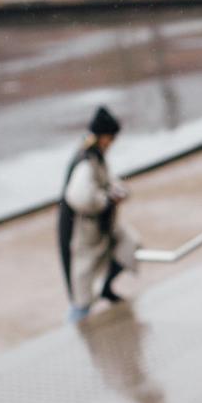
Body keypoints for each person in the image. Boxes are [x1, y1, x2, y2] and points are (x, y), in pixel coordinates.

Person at [58, 106, 139, 322]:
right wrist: (105, 200)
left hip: (100, 227)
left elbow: (107, 180)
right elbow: (79, 196)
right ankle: (74, 330)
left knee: (129, 244)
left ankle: (105, 287)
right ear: (103, 137)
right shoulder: (86, 161)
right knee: (81, 291)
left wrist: (115, 190)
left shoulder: (95, 157)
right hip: (85, 232)